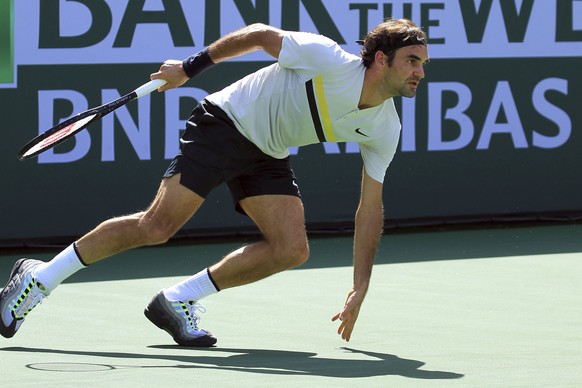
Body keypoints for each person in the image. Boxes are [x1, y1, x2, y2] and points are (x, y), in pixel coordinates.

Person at [1, 18, 429, 346]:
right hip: (224, 123)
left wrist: (360, 287)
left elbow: (369, 208)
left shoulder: (385, 128)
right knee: (157, 226)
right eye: (412, 61)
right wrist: (190, 67)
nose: (420, 73)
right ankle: (39, 278)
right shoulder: (327, 59)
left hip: (266, 151)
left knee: (291, 248)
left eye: (423, 64)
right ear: (380, 59)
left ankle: (178, 300)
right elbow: (260, 34)